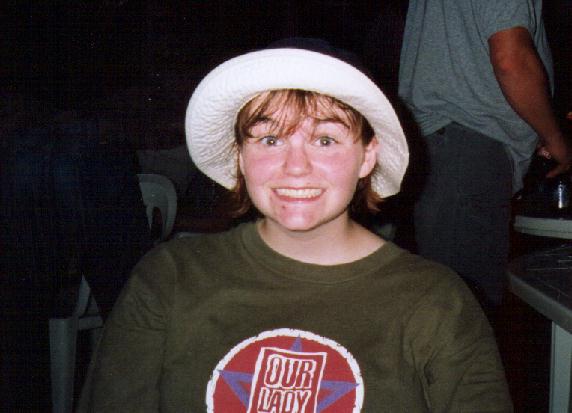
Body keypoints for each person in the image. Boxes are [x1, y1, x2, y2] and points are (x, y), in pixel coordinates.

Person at [78, 40, 512, 412]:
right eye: (270, 139)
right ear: (240, 156)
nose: (296, 166)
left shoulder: (435, 299)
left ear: (367, 156)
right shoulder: (169, 277)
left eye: (325, 140)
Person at [398, 0, 572, 312]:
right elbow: (511, 60)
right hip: (468, 153)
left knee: (447, 309)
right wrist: (554, 137)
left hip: (446, 148)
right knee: (463, 316)